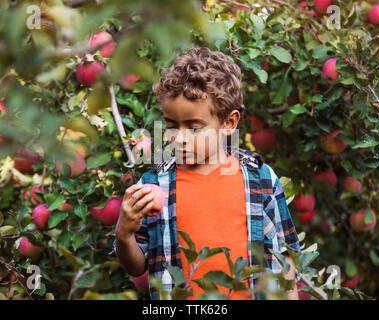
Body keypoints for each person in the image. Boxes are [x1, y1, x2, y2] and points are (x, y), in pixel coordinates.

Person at [114, 47, 301, 300]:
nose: (179, 139)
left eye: (193, 128)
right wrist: (124, 233)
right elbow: (136, 266)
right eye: (171, 126)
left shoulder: (262, 179)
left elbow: (285, 256)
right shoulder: (155, 183)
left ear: (228, 123)